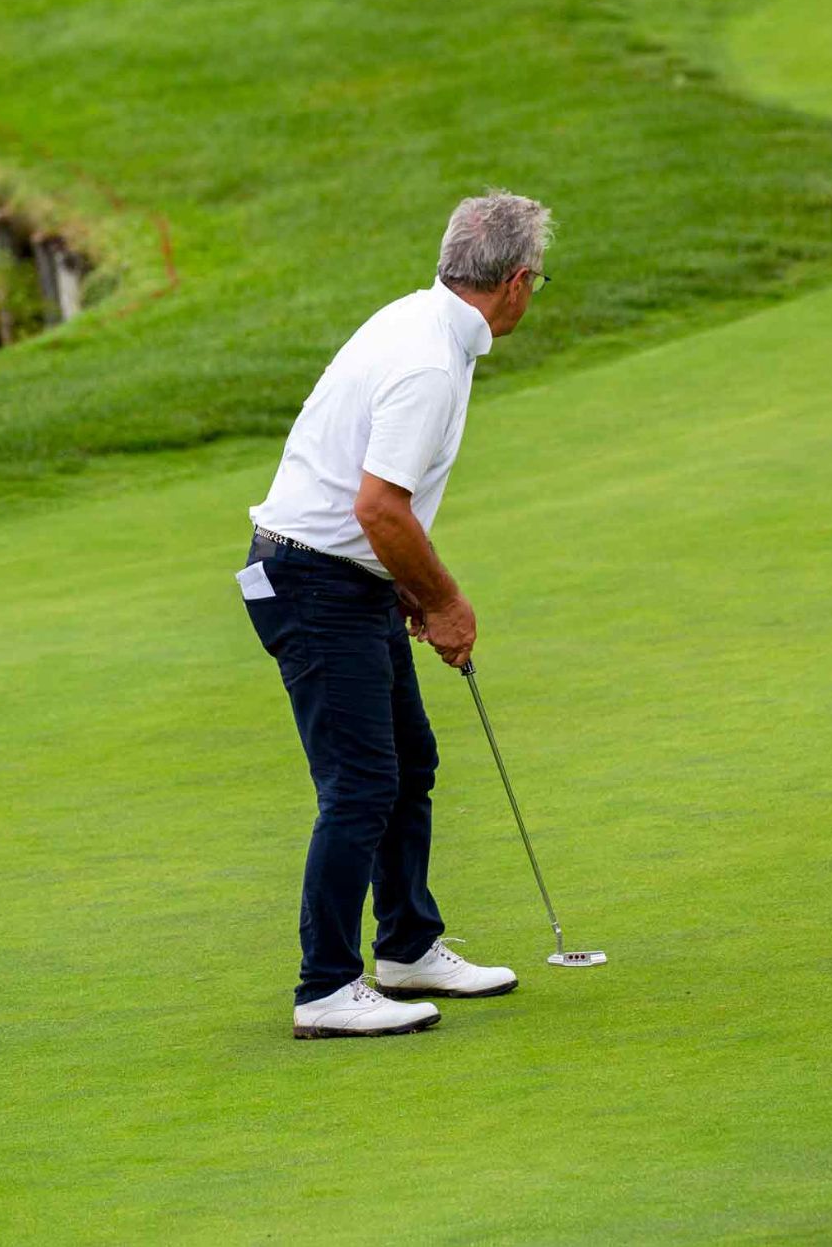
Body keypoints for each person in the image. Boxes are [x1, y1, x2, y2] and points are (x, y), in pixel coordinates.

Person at [238, 191, 553, 1039]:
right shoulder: (428, 361)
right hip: (314, 581)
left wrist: (408, 584)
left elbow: (377, 513)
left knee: (409, 762)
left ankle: (407, 945)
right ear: (517, 282)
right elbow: (379, 506)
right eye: (538, 282)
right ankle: (326, 986)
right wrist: (444, 600)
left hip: (342, 575)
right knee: (361, 784)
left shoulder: (424, 323)